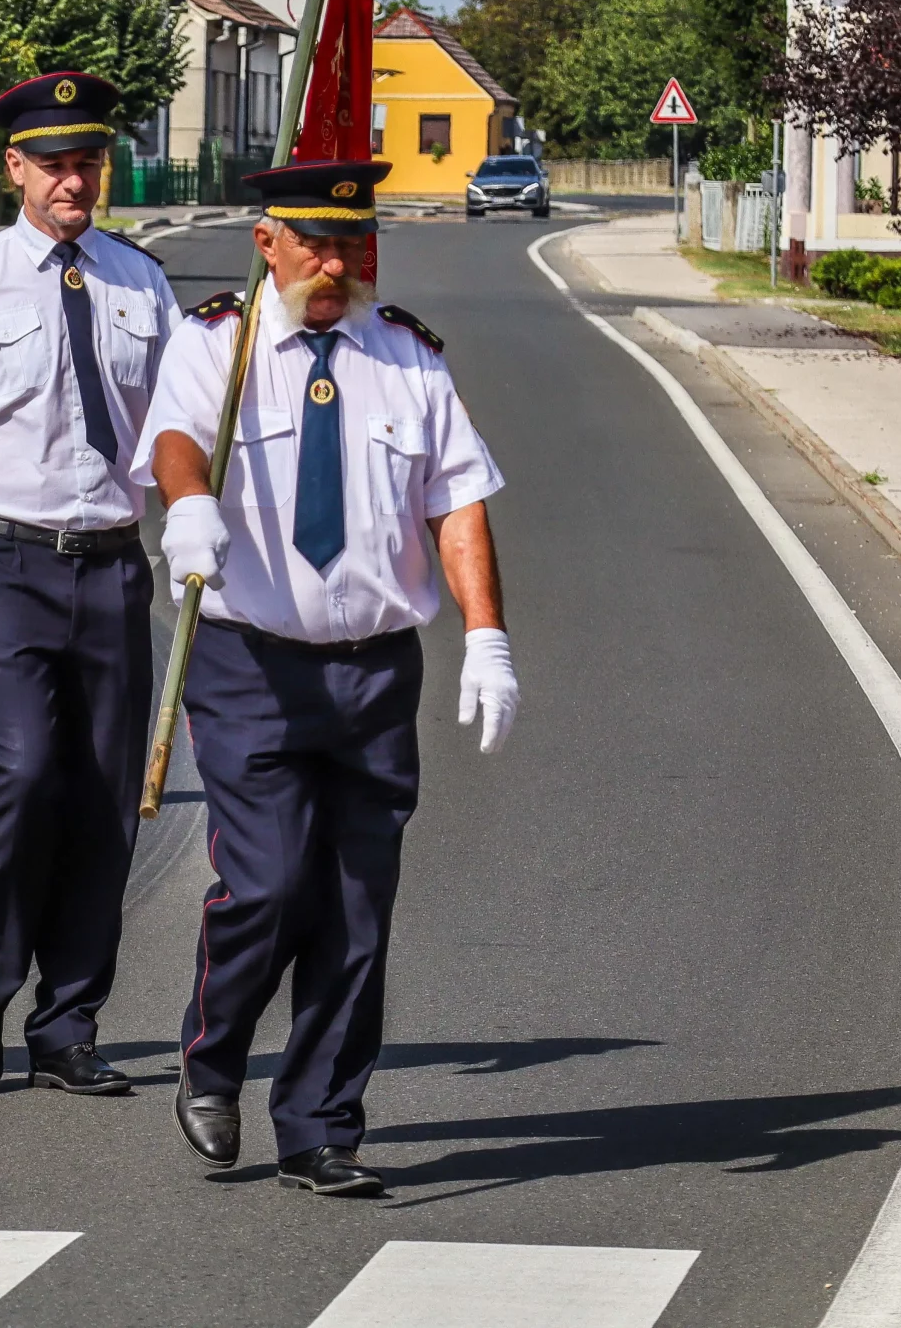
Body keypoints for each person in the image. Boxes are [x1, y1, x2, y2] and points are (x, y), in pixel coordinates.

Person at [135, 161, 518, 1195]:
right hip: (249, 663)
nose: (336, 266)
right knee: (264, 883)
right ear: (267, 244)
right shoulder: (219, 346)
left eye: (354, 246)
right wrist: (188, 504)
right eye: (316, 245)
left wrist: (485, 634)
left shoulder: (408, 361)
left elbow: (458, 502)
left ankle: (320, 1127)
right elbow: (174, 439)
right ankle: (211, 1066)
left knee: (355, 904)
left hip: (372, 675)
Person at [0, 71, 179, 1097]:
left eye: (88, 162)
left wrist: (193, 517)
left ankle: (69, 1021)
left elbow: (169, 431)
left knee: (103, 800)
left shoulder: (137, 281)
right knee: (17, 776)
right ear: (12, 168)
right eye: (55, 164)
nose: (74, 181)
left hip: (110, 564)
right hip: (3, 560)